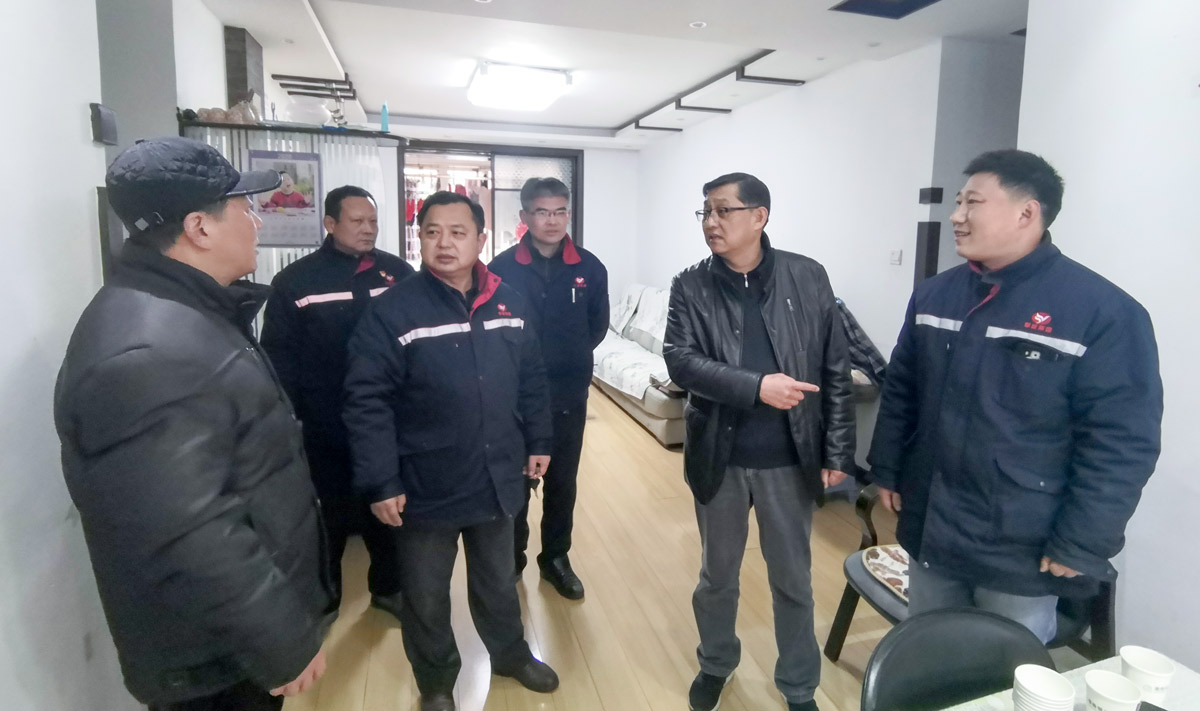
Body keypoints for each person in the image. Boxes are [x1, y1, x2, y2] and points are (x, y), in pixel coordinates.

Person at [54, 137, 333, 711]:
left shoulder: (189, 312)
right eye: (244, 208)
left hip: (229, 643)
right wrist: (282, 640)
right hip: (214, 661)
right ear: (200, 228)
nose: (257, 222)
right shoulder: (145, 352)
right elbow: (191, 534)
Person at [868, 149, 1163, 642]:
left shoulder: (1101, 312)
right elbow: (902, 389)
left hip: (1023, 544)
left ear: (1027, 213)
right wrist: (888, 468)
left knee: (1005, 667)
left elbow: (1122, 441)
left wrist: (1082, 540)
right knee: (927, 652)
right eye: (958, 202)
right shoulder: (935, 295)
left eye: (972, 203)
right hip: (932, 527)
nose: (957, 216)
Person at [344, 191, 560, 711]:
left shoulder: (509, 301)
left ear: (481, 239)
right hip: (424, 481)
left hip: (497, 472)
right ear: (418, 238)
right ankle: (437, 679)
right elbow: (366, 399)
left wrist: (539, 440)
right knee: (425, 593)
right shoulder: (392, 310)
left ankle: (509, 653)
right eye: (432, 232)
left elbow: (532, 377)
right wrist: (381, 480)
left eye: (458, 232)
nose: (444, 243)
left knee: (498, 580)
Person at [664, 173, 856, 711]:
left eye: (723, 210)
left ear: (759, 216)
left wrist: (838, 452)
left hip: (788, 458)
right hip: (719, 456)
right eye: (705, 212)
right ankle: (716, 663)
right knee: (717, 576)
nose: (711, 222)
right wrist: (756, 386)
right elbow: (681, 361)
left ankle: (798, 686)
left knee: (793, 580)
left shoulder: (807, 276)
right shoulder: (691, 285)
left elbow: (835, 369)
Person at [261, 185, 413, 619]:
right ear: (330, 224)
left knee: (387, 508)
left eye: (373, 221)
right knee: (326, 519)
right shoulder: (297, 281)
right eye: (357, 221)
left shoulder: (397, 273)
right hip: (323, 424)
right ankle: (325, 602)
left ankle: (388, 588)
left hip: (385, 422)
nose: (368, 229)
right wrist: (291, 420)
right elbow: (279, 358)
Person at [489, 177, 609, 600]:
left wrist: (567, 357)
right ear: (524, 216)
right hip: (514, 396)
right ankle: (512, 558)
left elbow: (597, 326)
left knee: (562, 481)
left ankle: (555, 557)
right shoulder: (500, 268)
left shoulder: (590, 268)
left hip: (567, 394)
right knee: (516, 481)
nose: (552, 221)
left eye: (560, 211)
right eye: (542, 212)